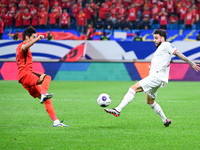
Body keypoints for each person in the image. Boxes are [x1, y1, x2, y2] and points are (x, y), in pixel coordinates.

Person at [104, 29, 200, 127]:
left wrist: (191, 63)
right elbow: (163, 63)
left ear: (162, 38)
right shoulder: (161, 49)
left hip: (156, 77)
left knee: (133, 88)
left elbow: (178, 53)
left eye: (156, 38)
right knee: (150, 101)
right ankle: (165, 120)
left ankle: (117, 110)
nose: (154, 40)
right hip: (157, 77)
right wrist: (152, 69)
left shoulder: (165, 44)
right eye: (154, 38)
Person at [16, 26, 68, 127]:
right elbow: (24, 47)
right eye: (33, 37)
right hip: (26, 74)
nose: (34, 38)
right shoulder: (21, 46)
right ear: (27, 37)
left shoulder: (23, 48)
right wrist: (37, 39)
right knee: (47, 77)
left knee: (46, 99)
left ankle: (56, 122)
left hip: (24, 79)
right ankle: (44, 94)